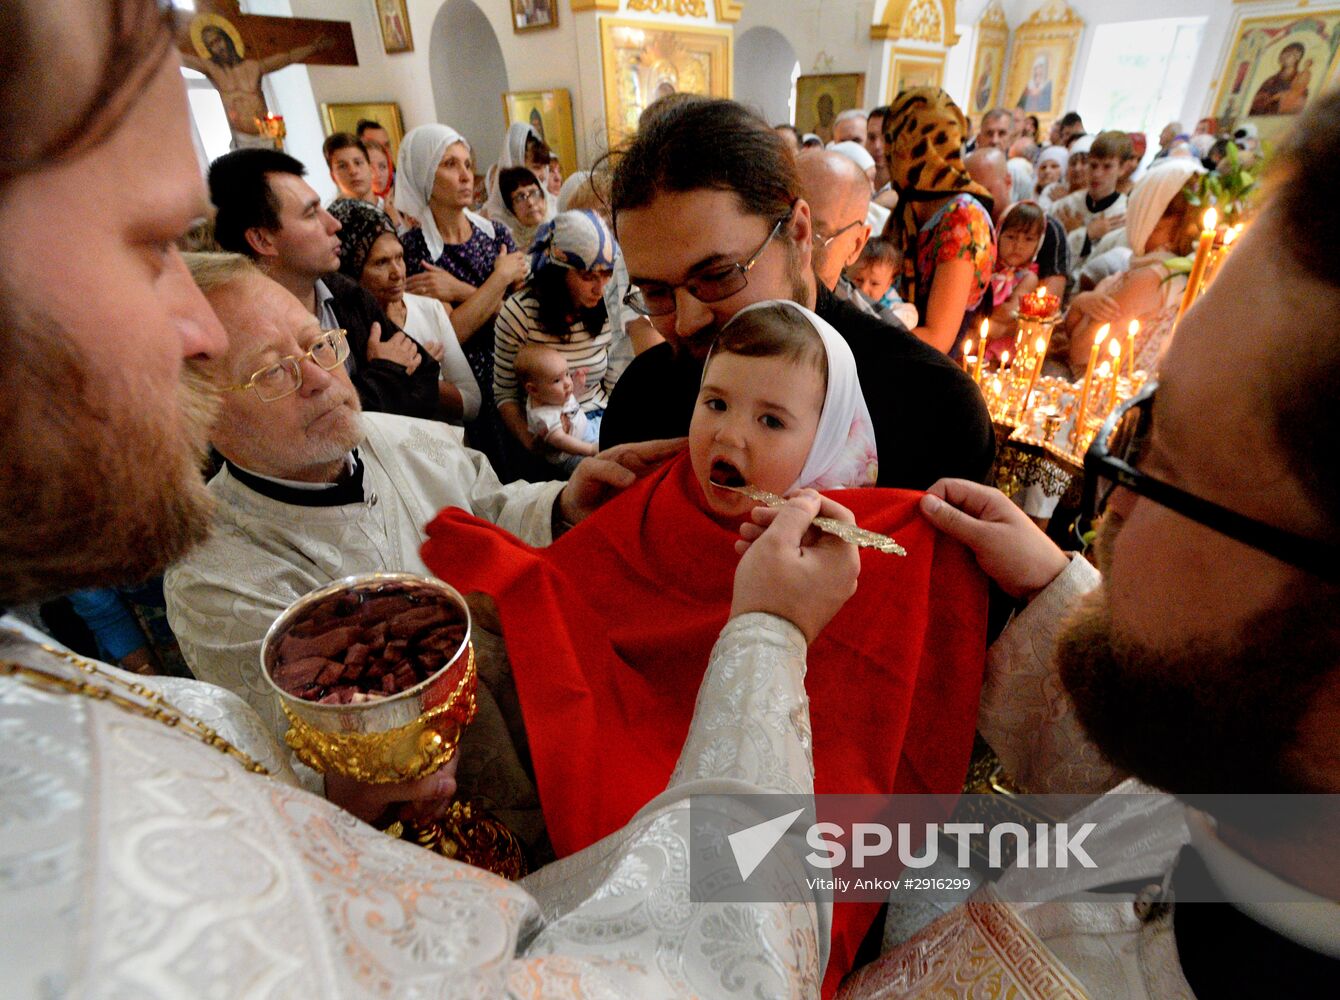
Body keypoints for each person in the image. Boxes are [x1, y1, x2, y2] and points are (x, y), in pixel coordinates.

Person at [0, 5, 867, 994]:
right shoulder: (201, 595)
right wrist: (766, 638)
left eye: (317, 344)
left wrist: (566, 504)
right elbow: (698, 967)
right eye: (149, 246)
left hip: (551, 761)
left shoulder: (399, 442)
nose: (195, 340)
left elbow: (486, 512)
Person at [843, 90, 1340, 999]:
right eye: (1140, 426)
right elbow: (1148, 804)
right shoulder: (1270, 802)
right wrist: (1052, 600)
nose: (1101, 520)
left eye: (1166, 469)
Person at [423, 301, 991, 994]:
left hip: (781, 800)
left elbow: (862, 732)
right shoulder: (666, 492)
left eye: (771, 420)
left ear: (827, 437)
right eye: (715, 402)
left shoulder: (855, 544)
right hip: (620, 737)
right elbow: (584, 594)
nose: (729, 435)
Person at [600, 96, 995, 489]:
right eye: (655, 293)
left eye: (718, 275)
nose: (686, 323)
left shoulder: (933, 406)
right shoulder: (643, 399)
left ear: (799, 234)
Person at [209, 146, 442, 421]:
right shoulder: (240, 334)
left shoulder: (346, 293)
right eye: (311, 214)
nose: (334, 224)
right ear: (262, 240)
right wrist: (385, 374)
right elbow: (309, 432)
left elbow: (426, 379)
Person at [397, 124, 530, 474]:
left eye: (468, 164)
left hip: (516, 372)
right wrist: (499, 279)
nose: (465, 176)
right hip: (466, 385)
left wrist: (460, 291)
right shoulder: (413, 250)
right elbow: (451, 334)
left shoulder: (495, 234)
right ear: (424, 173)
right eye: (449, 164)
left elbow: (524, 318)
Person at [329, 197, 480, 422]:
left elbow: (471, 402)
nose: (397, 272)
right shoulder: (339, 330)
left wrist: (418, 372)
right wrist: (392, 372)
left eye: (399, 257)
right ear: (352, 270)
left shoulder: (429, 309)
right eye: (380, 263)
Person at [493, 210, 616, 469]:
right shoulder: (520, 313)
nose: (600, 288)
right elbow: (504, 393)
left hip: (601, 416)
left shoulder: (607, 304)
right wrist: (532, 443)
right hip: (555, 433)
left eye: (606, 274)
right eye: (588, 276)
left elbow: (614, 383)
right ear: (559, 272)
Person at [882, 88, 998, 355]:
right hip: (900, 354)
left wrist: (858, 338)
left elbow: (938, 338)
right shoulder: (910, 204)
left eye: (892, 139)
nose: (886, 152)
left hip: (937, 374)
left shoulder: (963, 218)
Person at [1063, 159, 1203, 376]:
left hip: (1106, 400)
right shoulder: (1174, 268)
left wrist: (1098, 293)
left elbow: (1081, 352)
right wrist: (1082, 303)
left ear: (1149, 215)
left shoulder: (1153, 276)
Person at [180, 19, 331, 148]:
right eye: (211, 44)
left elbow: (288, 57)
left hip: (268, 133)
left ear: (227, 38)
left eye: (218, 40)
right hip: (241, 139)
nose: (218, 47)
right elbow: (182, 58)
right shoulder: (212, 69)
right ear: (208, 49)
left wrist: (314, 47)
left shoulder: (253, 66)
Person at [965, 145, 1069, 304]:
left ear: (1008, 181)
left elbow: (1047, 304)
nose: (976, 201)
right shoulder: (965, 229)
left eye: (984, 191)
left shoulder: (1045, 227)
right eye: (969, 194)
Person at [1052, 130, 1132, 276]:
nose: (1097, 174)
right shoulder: (1066, 205)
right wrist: (1086, 234)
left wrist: (1080, 235)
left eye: (1107, 167)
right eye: (1093, 166)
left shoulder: (1126, 214)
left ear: (1122, 168)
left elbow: (1115, 265)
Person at [515, 343, 600, 470]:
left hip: (589, 427)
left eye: (566, 374)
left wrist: (576, 389)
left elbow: (570, 407)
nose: (567, 383)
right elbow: (560, 440)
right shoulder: (543, 416)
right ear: (533, 389)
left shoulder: (552, 396)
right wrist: (591, 449)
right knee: (596, 468)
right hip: (571, 454)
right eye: (556, 380)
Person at [982, 201, 1046, 363]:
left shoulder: (1028, 278)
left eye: (1029, 239)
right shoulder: (985, 265)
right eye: (1011, 237)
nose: (1018, 245)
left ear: (1038, 244)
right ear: (998, 234)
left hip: (1001, 347)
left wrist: (981, 318)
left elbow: (1008, 312)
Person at [482, 122, 558, 232]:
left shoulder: (552, 204)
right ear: (516, 164)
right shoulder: (492, 217)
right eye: (536, 167)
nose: (542, 175)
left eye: (544, 167)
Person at [495, 165, 548, 252]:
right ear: (511, 210)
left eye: (534, 193)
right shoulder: (508, 247)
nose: (530, 202)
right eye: (520, 197)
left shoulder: (561, 233)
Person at [1250, 41, 1307, 116]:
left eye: (1289, 54)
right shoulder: (1270, 80)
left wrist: (1282, 97)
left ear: (1297, 58)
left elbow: (1301, 100)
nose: (1284, 56)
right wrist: (1265, 98)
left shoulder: (1300, 79)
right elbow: (1255, 103)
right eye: (1283, 53)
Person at [322, 131, 376, 207]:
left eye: (358, 163)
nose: (353, 171)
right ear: (333, 177)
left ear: (371, 169)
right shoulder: (330, 217)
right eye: (342, 166)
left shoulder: (395, 208)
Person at [865, 103, 894, 195]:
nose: (877, 146)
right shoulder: (854, 182)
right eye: (871, 137)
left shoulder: (909, 191)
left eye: (886, 138)